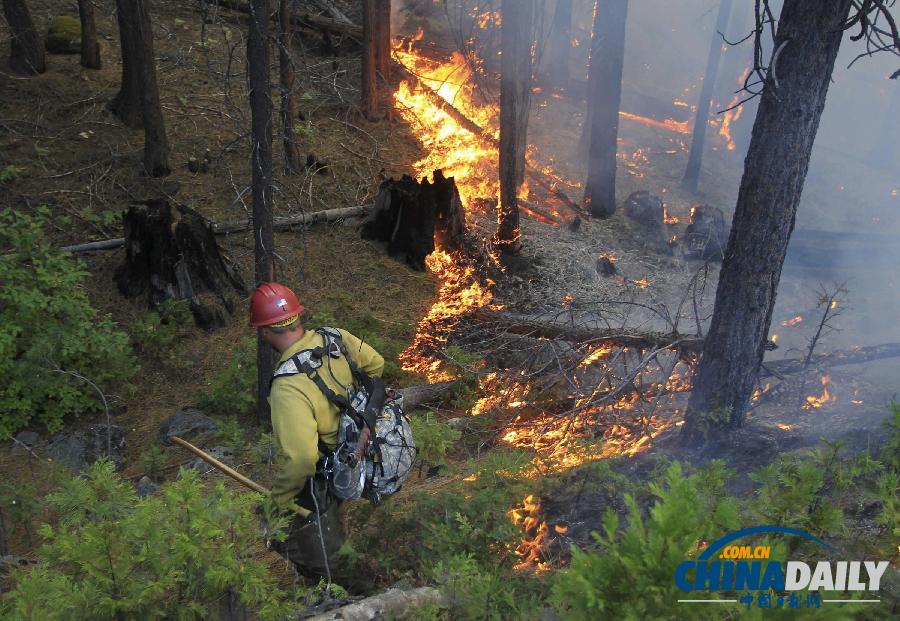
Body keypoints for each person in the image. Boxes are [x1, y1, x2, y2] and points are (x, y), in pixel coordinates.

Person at [249, 282, 384, 583]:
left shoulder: (287, 387)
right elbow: (376, 365)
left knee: (306, 545)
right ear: (297, 318)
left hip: (322, 477)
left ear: (265, 331)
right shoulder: (335, 338)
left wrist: (279, 500)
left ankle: (359, 592)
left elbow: (301, 460)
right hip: (360, 451)